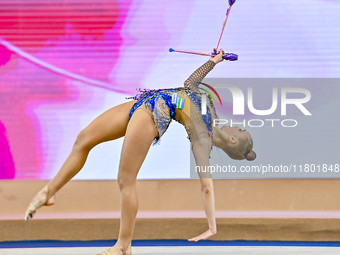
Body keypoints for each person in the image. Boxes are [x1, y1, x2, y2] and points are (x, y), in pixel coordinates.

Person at [24, 49, 256, 255]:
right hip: (146, 101)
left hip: (153, 115)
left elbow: (206, 186)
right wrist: (213, 61)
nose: (237, 125)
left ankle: (123, 246)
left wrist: (212, 226)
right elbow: (190, 84)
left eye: (240, 129)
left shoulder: (202, 142)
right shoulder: (211, 111)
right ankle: (48, 191)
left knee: (126, 180)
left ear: (234, 139)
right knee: (83, 139)